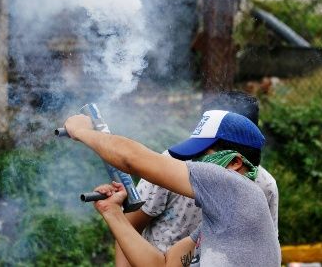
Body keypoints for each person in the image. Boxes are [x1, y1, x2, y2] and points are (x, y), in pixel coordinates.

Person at [64, 109, 281, 266]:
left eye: (201, 156)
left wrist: (82, 132)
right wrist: (112, 213)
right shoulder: (222, 218)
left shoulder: (239, 190)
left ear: (235, 162)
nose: (194, 164)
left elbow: (131, 159)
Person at [115, 91, 278, 267]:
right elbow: (129, 228)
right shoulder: (170, 166)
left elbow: (266, 247)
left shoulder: (264, 186)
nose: (197, 162)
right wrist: (111, 212)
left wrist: (85, 132)